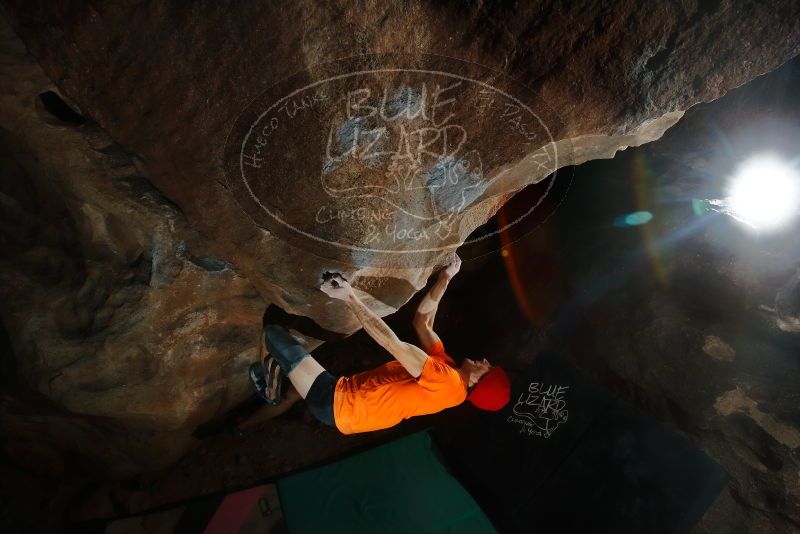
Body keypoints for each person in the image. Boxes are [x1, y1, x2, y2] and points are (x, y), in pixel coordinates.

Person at [241, 256, 510, 434]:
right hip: (347, 404)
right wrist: (445, 278)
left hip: (339, 403)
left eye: (488, 369)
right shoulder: (449, 369)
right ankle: (270, 392)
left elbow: (392, 343)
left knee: (273, 334)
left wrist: (350, 297)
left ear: (479, 383)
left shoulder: (448, 382)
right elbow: (422, 322)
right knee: (288, 358)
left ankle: (270, 390)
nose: (485, 361)